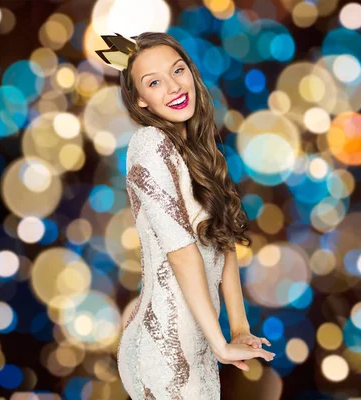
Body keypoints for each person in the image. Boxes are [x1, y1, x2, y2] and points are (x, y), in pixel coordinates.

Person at [97, 32, 274, 399]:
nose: (174, 87)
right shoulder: (149, 145)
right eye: (154, 82)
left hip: (199, 344)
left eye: (178, 71)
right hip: (163, 348)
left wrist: (238, 327)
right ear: (141, 101)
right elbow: (181, 252)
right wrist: (221, 345)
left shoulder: (200, 154)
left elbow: (222, 244)